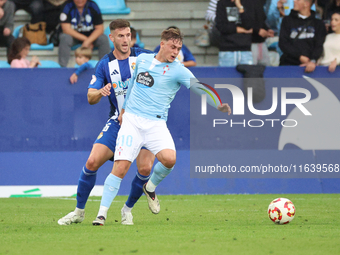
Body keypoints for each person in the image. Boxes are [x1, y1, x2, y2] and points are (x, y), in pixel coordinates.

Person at [92, 27, 231, 226]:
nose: (176, 52)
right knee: (121, 167)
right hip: (132, 120)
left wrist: (217, 103)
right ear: (162, 43)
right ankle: (101, 214)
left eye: (179, 48)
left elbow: (199, 87)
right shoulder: (142, 60)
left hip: (156, 124)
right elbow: (132, 85)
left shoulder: (178, 69)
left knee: (169, 159)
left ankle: (149, 188)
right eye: (173, 47)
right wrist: (123, 111)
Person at [58, 19, 155, 226]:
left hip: (144, 123)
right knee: (92, 162)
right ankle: (79, 212)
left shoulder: (143, 56)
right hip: (118, 122)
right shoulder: (105, 64)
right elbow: (90, 96)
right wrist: (100, 92)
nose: (125, 39)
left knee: (145, 169)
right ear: (111, 38)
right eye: (121, 35)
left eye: (128, 35)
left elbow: (163, 62)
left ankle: (127, 209)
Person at [58, 0, 110, 67]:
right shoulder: (67, 6)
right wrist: (86, 40)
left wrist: (88, 41)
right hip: (73, 37)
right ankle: (62, 67)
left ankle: (105, 67)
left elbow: (100, 29)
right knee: (64, 37)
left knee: (103, 38)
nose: (80, 0)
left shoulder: (93, 6)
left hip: (91, 37)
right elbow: (66, 29)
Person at [279, 0, 327, 72]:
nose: (294, 1)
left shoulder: (318, 24)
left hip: (311, 67)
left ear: (306, 4)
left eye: (298, 0)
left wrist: (313, 60)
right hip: (289, 65)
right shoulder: (287, 20)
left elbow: (319, 45)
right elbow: (283, 43)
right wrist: (299, 56)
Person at [215, 0, 255, 67]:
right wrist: (240, 29)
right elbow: (221, 26)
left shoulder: (248, 2)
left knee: (248, 76)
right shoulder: (222, 3)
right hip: (227, 49)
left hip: (245, 49)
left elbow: (249, 25)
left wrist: (240, 7)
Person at [251, 0, 275, 65]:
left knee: (266, 70)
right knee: (250, 72)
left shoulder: (260, 2)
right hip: (249, 44)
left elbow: (260, 19)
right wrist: (257, 30)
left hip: (261, 42)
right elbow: (242, 21)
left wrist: (266, 29)